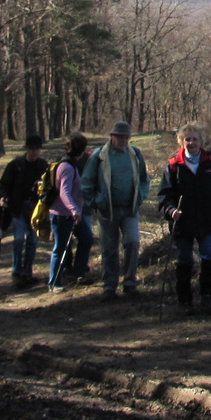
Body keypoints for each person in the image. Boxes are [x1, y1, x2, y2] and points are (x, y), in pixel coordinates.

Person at [157, 122, 211, 313]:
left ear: (201, 141)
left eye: (195, 139)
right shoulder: (173, 165)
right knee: (184, 260)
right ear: (181, 142)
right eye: (187, 139)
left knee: (209, 257)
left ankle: (207, 297)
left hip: (206, 219)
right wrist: (171, 211)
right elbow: (164, 195)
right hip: (182, 222)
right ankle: (185, 300)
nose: (191, 143)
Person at [81, 120, 150, 300]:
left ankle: (129, 282)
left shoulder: (135, 154)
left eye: (126, 137)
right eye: (119, 137)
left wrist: (141, 196)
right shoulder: (99, 156)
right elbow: (86, 183)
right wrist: (96, 202)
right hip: (107, 211)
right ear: (112, 136)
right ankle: (109, 286)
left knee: (133, 242)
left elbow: (144, 179)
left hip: (130, 209)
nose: (123, 140)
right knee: (109, 249)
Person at [0, 134, 50, 289]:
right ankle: (16, 271)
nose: (34, 152)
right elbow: (3, 185)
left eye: (37, 149)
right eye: (32, 149)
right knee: (19, 238)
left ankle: (27, 272)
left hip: (36, 208)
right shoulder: (15, 165)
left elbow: (49, 186)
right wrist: (3, 197)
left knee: (33, 240)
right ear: (26, 149)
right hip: (17, 206)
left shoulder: (43, 166)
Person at [45, 133, 96, 292]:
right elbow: (64, 192)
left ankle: (78, 272)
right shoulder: (66, 166)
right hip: (62, 215)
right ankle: (54, 283)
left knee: (87, 239)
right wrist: (74, 210)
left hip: (74, 214)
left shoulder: (73, 164)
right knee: (60, 248)